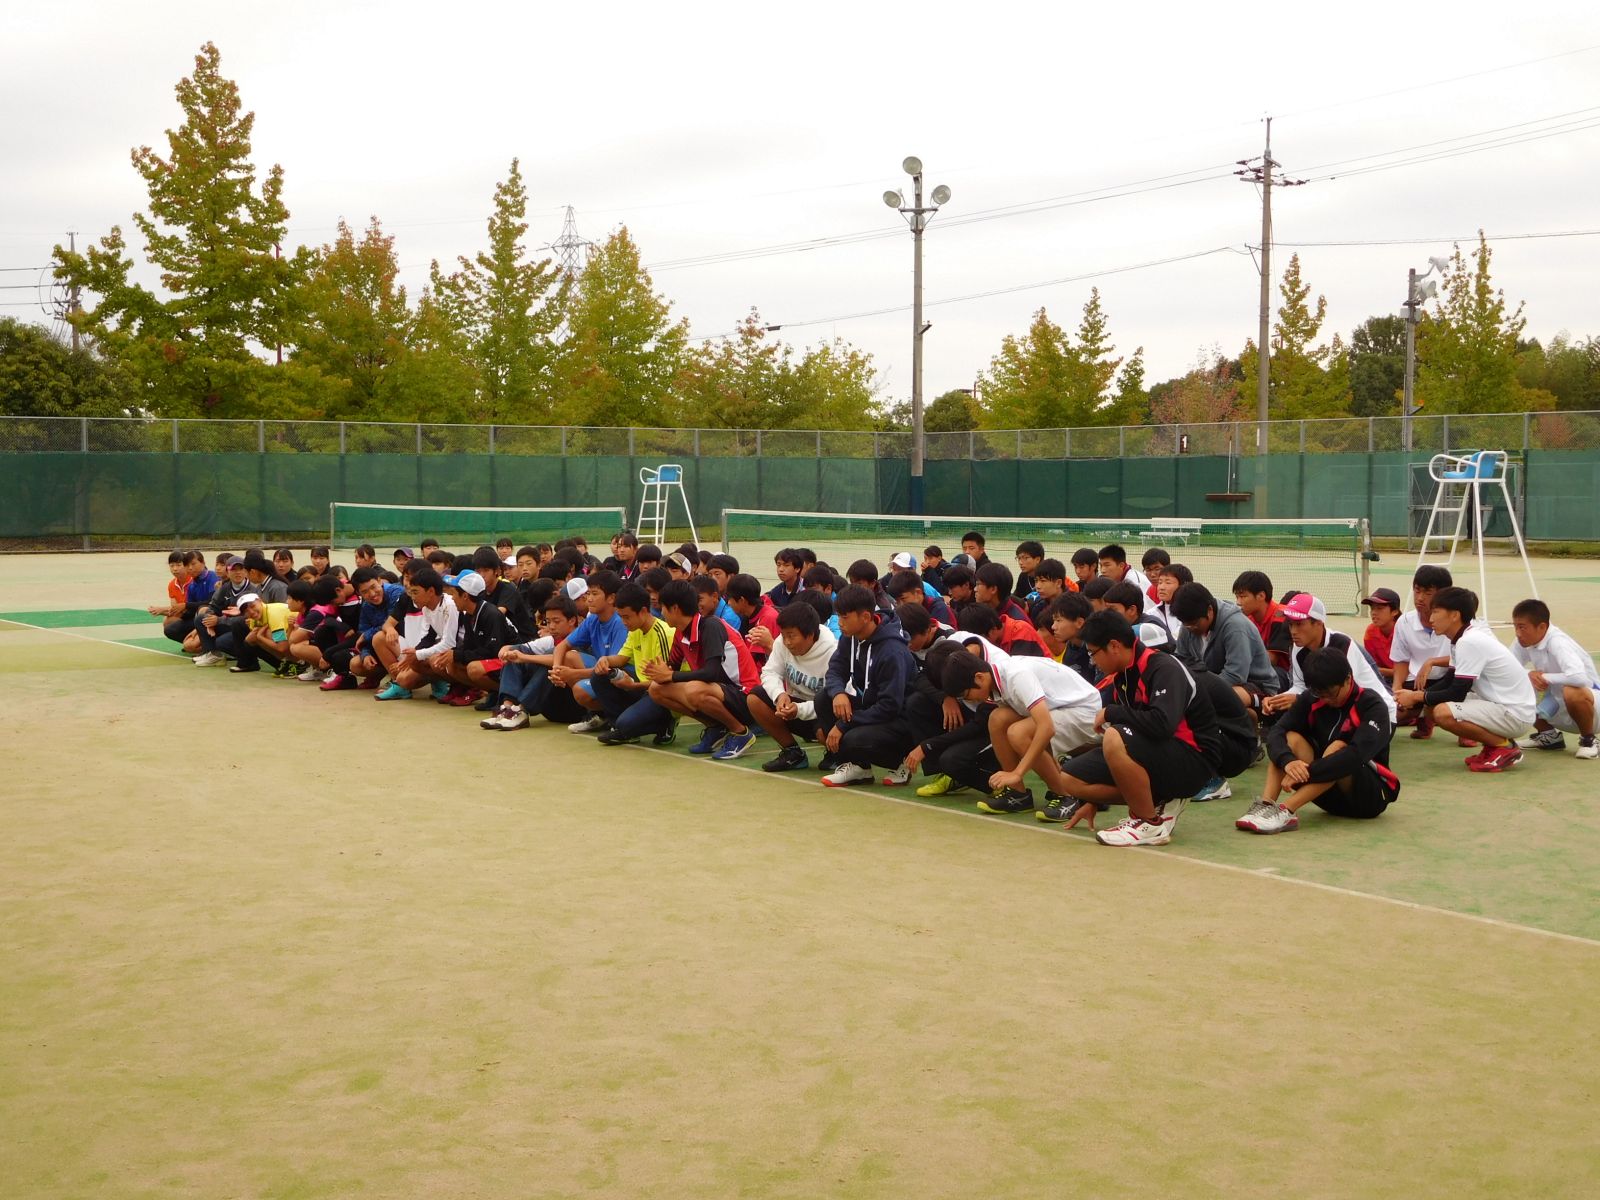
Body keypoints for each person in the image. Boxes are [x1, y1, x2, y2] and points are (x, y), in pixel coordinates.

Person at [1053, 611, 1223, 847]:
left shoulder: (1163, 667)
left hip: (1194, 761)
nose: (1092, 661)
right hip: (1158, 752)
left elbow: (1162, 724)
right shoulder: (1122, 675)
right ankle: (1159, 800)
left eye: (1093, 653)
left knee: (1115, 736)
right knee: (1070, 779)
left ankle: (1148, 823)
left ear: (1114, 646)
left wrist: (1113, 713)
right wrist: (1092, 801)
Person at [1237, 648, 1401, 834]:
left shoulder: (1372, 705)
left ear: (1348, 679)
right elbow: (1277, 732)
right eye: (1320, 694)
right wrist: (1288, 762)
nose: (1327, 700)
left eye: (1331, 693)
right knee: (1289, 739)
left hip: (1369, 798)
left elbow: (1355, 756)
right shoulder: (1311, 698)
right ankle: (1266, 805)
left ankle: (1285, 811)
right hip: (1328, 796)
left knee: (1339, 747)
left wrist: (1306, 772)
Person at [937, 647, 1101, 816]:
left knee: (1018, 733)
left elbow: (1046, 727)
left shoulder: (1016, 676)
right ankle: (1018, 794)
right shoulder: (995, 680)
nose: (969, 701)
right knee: (997, 719)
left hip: (1085, 710)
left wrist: (1018, 773)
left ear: (979, 677)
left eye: (966, 695)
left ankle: (1066, 797)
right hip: (1058, 707)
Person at [1395, 586, 1535, 772]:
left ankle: (1503, 747)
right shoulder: (1461, 638)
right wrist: (1414, 697)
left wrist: (1415, 697)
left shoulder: (1469, 641)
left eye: (1436, 611)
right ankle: (1493, 747)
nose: (1431, 618)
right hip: (1506, 707)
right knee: (1433, 707)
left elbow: (1457, 692)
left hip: (1515, 714)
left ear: (1455, 615)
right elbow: (1449, 681)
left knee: (1443, 712)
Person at [644, 579, 762, 760]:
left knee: (694, 689)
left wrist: (670, 675)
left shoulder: (711, 626)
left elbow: (711, 672)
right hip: (719, 692)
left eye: (663, 608)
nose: (661, 613)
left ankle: (740, 733)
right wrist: (660, 672)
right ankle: (716, 727)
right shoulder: (680, 632)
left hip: (746, 696)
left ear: (675, 608)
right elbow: (672, 667)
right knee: (656, 689)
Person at [814, 585, 916, 786]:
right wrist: (838, 693)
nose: (840, 623)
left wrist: (843, 724)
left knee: (853, 738)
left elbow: (889, 706)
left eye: (845, 617)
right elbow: (835, 669)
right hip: (871, 707)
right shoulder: (850, 637)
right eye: (839, 616)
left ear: (866, 617)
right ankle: (858, 767)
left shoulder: (892, 652)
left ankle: (900, 760)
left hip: (900, 719)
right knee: (824, 698)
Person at [1262, 593, 1398, 725]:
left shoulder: (1342, 645)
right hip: (1339, 708)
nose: (1293, 631)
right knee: (1286, 729)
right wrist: (1276, 700)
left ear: (1318, 623)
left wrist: (1299, 699)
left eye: (1299, 624)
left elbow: (1347, 693)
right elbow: (1300, 686)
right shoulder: (1298, 648)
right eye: (1291, 624)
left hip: (1378, 714)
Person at [747, 600, 840, 772]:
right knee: (755, 698)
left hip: (823, 711)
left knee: (823, 732)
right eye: (784, 635)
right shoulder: (782, 643)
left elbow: (834, 700)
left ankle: (837, 754)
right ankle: (793, 753)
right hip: (794, 707)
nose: (787, 642)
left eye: (791, 636)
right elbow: (770, 672)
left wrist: (799, 709)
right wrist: (779, 695)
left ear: (810, 635)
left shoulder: (833, 653)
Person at [479, 594, 589, 730]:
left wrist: (524, 657)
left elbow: (563, 658)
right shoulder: (550, 640)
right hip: (550, 708)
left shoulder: (584, 640)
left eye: (556, 621)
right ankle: (507, 708)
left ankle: (522, 710)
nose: (551, 627)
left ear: (572, 621)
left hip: (575, 707)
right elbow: (519, 649)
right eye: (548, 622)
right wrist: (508, 650)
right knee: (514, 655)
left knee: (550, 661)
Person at [590, 583, 680, 746]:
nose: (623, 622)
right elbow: (622, 658)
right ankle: (619, 727)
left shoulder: (663, 634)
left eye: (627, 617)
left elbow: (666, 681)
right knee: (599, 676)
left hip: (662, 692)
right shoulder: (636, 629)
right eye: (621, 617)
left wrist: (633, 686)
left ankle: (665, 722)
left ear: (643, 611)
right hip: (643, 687)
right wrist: (606, 660)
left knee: (627, 724)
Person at [1511, 598, 1599, 759]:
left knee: (1572, 691)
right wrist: (1529, 674)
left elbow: (1579, 678)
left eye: (1522, 627)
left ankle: (1589, 740)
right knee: (1515, 682)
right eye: (1515, 626)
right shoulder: (1523, 641)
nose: (1517, 633)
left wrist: (1543, 677)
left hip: (1593, 710)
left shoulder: (1558, 642)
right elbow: (1507, 668)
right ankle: (1549, 736)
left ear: (1542, 627)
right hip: (1556, 704)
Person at [549, 569, 629, 730]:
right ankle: (599, 715)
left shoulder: (620, 622)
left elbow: (613, 668)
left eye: (594, 594)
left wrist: (572, 674)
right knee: (568, 657)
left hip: (623, 677)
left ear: (611, 598)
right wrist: (556, 670)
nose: (589, 599)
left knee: (580, 690)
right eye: (588, 593)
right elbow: (562, 646)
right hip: (601, 672)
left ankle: (617, 713)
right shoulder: (593, 619)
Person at [1389, 565, 1456, 739]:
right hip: (1417, 682)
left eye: (1428, 593)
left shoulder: (1457, 620)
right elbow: (1401, 660)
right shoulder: (1404, 622)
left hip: (1451, 678)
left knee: (1448, 713)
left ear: (1443, 594)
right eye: (1417, 591)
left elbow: (1467, 657)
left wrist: (1432, 662)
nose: (1419, 598)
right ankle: (1424, 715)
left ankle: (1432, 714)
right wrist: (1396, 689)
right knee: (1394, 714)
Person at [375, 566, 458, 702]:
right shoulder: (426, 608)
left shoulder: (450, 605)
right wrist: (412, 655)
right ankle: (439, 682)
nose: (412, 597)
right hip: (442, 649)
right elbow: (428, 637)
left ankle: (461, 687)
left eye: (415, 592)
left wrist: (417, 654)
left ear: (431, 591)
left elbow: (450, 643)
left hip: (459, 650)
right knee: (413, 664)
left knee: (433, 660)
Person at [1231, 570, 1292, 689]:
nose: (1238, 602)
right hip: (1259, 669)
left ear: (1261, 596)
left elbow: (1271, 660)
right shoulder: (1246, 618)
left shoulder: (1280, 617)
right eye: (1237, 597)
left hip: (1284, 674)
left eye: (1243, 597)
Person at [726, 573, 781, 668]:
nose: (728, 603)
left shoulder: (767, 617)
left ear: (742, 600)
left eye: (730, 599)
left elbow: (756, 661)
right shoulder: (747, 615)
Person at [1097, 544, 1154, 611]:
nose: (1102, 570)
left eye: (1107, 565)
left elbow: (1143, 611)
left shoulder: (1136, 583)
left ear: (1121, 565)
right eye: (1101, 565)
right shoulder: (1106, 579)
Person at [1360, 587, 1401, 672]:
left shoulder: (1404, 631)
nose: (1374, 613)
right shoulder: (1371, 632)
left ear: (1395, 612)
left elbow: (1408, 671)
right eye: (1372, 608)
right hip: (1383, 677)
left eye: (1379, 608)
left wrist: (1377, 671)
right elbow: (1372, 664)